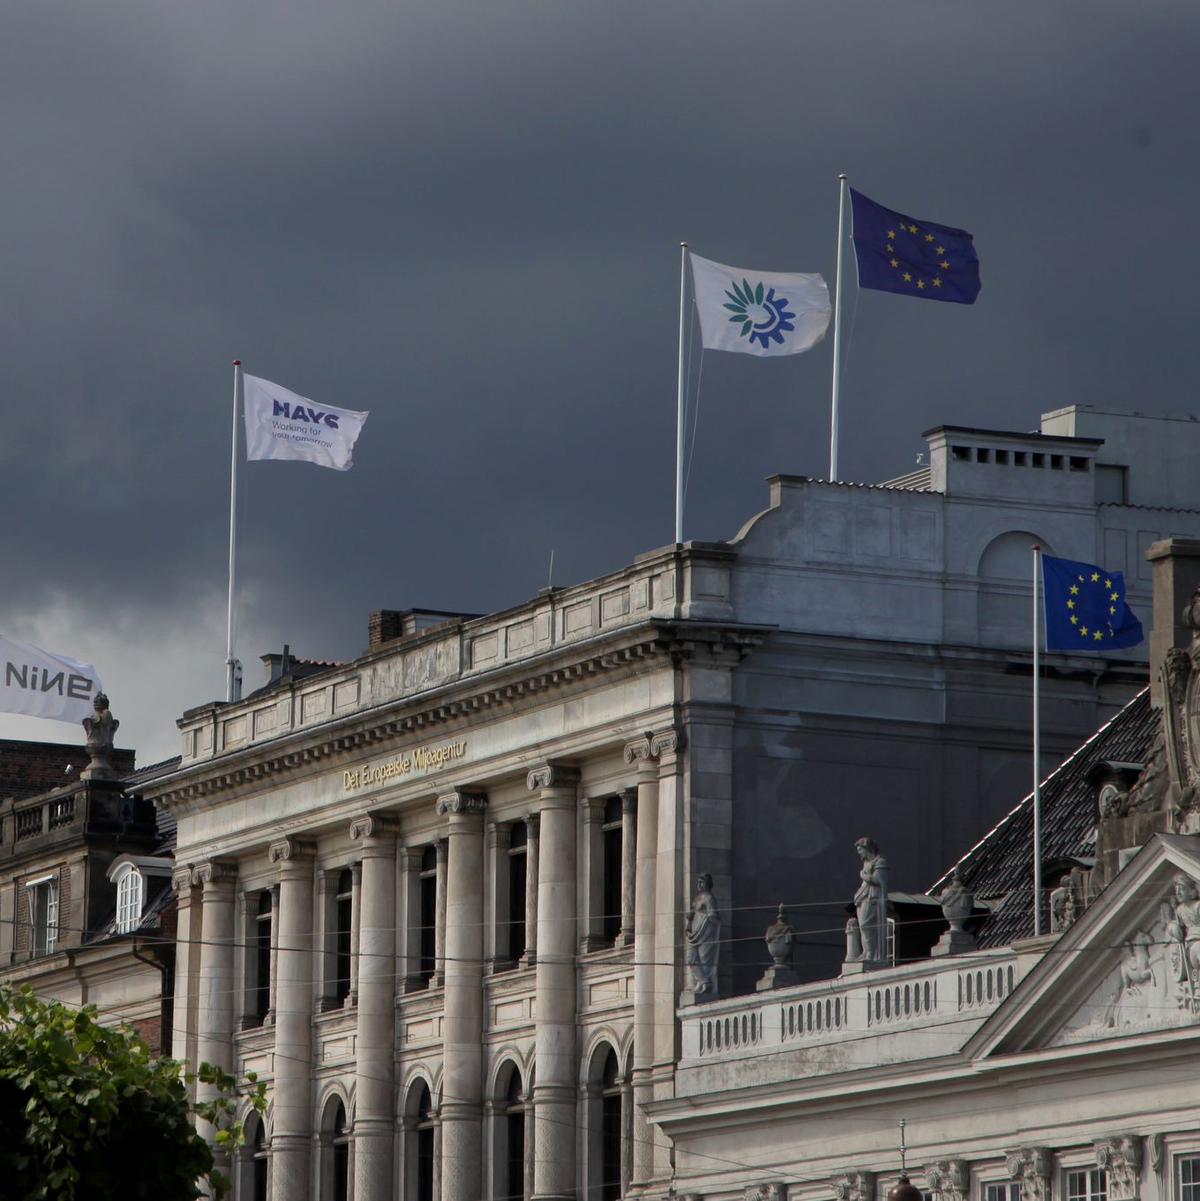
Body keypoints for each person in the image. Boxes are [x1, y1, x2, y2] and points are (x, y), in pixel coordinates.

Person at [853, 837, 889, 963]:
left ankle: (871, 953)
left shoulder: (880, 862)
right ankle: (866, 951)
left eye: (860, 849)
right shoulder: (866, 863)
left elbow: (878, 880)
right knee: (862, 926)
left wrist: (863, 875)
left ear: (867, 848)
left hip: (873, 897)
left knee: (866, 924)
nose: (859, 853)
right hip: (863, 896)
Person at [684, 873, 720, 997]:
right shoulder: (697, 898)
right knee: (691, 958)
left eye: (702, 882)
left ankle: (705, 984)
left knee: (705, 960)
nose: (699, 885)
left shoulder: (709, 898)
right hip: (694, 934)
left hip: (706, 933)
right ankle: (703, 981)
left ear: (707, 883)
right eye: (698, 882)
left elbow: (713, 916)